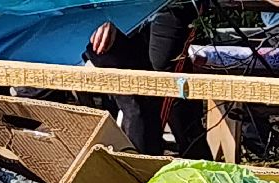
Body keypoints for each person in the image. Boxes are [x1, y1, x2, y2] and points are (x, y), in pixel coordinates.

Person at [87, 6, 208, 158]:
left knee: (173, 96)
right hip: (107, 12)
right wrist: (105, 17)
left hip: (169, 7)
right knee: (134, 103)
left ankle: (199, 167)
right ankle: (143, 172)